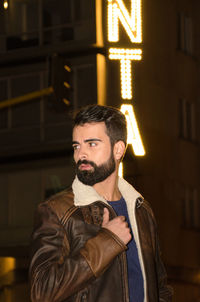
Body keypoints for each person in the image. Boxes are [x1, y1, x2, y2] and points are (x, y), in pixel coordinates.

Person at [29, 104, 173, 302]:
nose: (81, 154)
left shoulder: (141, 210)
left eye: (92, 144)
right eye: (76, 146)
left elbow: (160, 287)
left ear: (118, 149)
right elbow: (42, 291)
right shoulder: (56, 211)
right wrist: (107, 242)